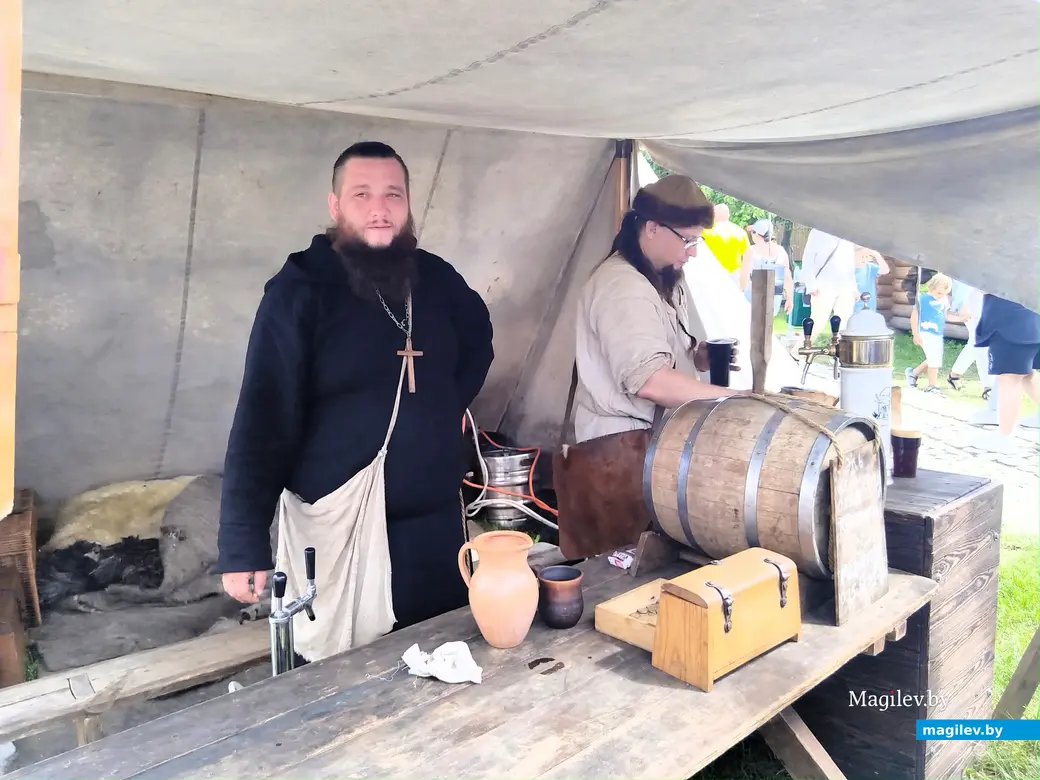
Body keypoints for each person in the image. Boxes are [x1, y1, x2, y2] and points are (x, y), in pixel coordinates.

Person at [217, 141, 495, 660]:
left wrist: (443, 409)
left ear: (409, 203)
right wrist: (241, 543)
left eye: (393, 194)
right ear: (335, 205)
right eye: (362, 194)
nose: (379, 208)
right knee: (344, 685)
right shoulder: (300, 290)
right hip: (340, 533)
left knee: (443, 665)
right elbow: (262, 419)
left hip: (434, 529)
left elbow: (478, 340)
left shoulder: (436, 279)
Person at [573, 175, 742, 442]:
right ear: (652, 228)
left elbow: (659, 356)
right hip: (618, 451)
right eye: (687, 240)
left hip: (652, 441)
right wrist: (734, 400)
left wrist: (698, 357)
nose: (693, 252)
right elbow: (651, 381)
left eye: (697, 242)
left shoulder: (666, 277)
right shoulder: (622, 286)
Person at [971, 293, 1040, 451]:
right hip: (1031, 317)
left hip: (1011, 322)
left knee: (1009, 377)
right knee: (1027, 376)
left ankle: (1004, 437)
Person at [800, 228, 858, 336]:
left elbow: (850, 263)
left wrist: (853, 287)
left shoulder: (848, 234)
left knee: (844, 325)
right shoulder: (817, 232)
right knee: (817, 324)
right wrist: (811, 283)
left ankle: (840, 351)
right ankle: (800, 352)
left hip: (845, 286)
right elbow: (808, 258)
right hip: (823, 285)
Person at [906, 272, 952, 393]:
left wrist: (962, 318)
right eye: (939, 293)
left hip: (938, 334)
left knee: (934, 358)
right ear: (932, 287)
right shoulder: (923, 299)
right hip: (925, 332)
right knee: (934, 359)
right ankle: (932, 385)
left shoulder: (944, 300)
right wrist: (915, 333)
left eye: (944, 294)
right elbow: (914, 316)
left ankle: (913, 373)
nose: (941, 296)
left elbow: (944, 316)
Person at [739, 218, 793, 317]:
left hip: (752, 296)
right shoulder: (781, 251)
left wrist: (739, 293)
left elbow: (744, 275)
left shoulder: (750, 251)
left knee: (751, 327)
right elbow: (787, 277)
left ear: (756, 233)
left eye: (752, 232)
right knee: (767, 326)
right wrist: (790, 299)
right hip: (774, 297)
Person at [946, 279, 990, 396]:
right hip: (971, 297)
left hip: (985, 296)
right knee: (980, 341)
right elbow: (961, 278)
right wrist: (962, 304)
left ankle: (955, 374)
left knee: (976, 341)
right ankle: (988, 386)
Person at [700, 203, 749, 279]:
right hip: (733, 275)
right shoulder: (740, 232)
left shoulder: (706, 231)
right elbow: (747, 256)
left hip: (710, 274)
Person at [853, 247, 890, 313]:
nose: (864, 259)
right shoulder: (848, 269)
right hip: (852, 310)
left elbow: (885, 270)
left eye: (866, 256)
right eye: (862, 256)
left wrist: (876, 254)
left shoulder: (869, 267)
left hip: (869, 310)